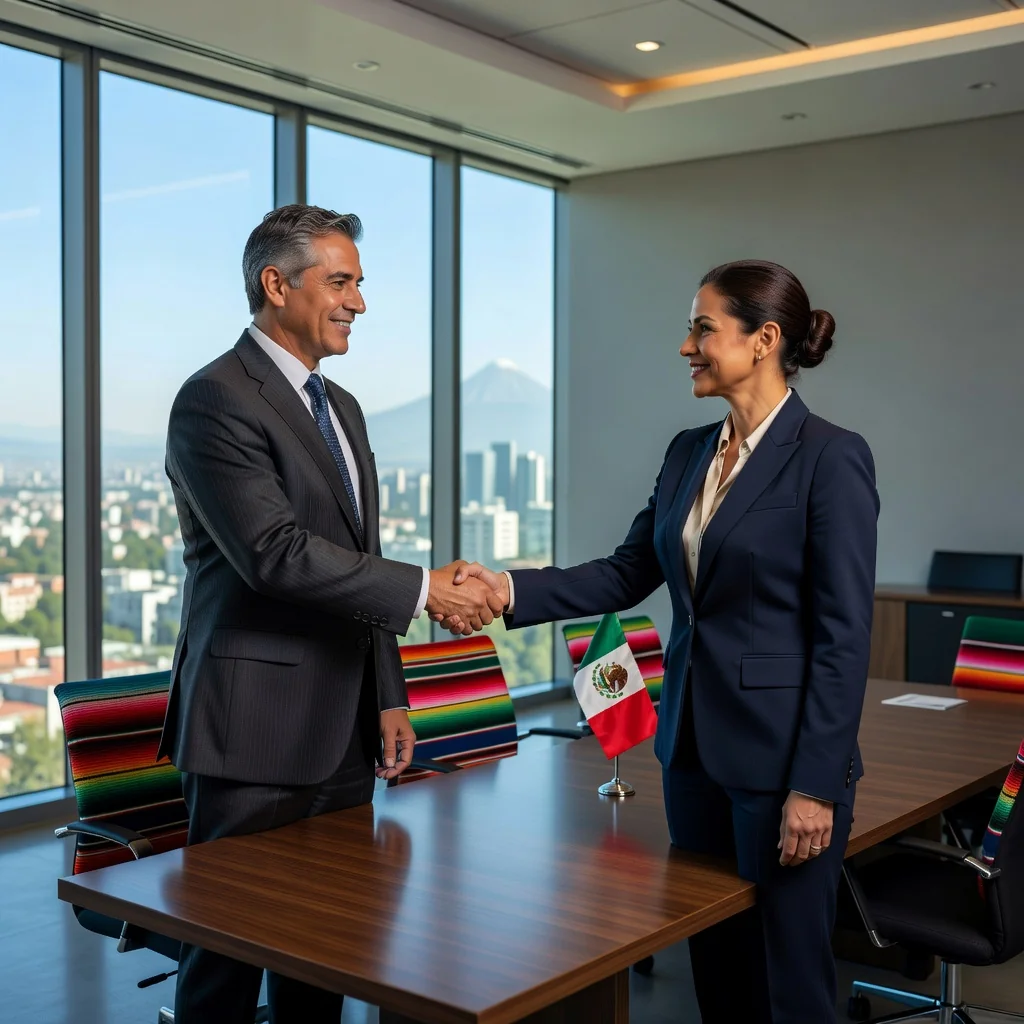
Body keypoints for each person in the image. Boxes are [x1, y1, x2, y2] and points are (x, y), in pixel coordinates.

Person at [443, 260, 879, 1023]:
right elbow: (625, 572)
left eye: (702, 328)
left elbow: (844, 636)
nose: (686, 346)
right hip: (692, 754)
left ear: (764, 339)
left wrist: (815, 785)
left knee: (790, 979)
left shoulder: (830, 458)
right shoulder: (686, 453)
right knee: (717, 963)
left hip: (783, 766)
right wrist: (506, 589)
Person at [158, 204, 503, 1024]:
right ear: (277, 285)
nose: (359, 302)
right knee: (229, 955)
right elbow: (273, 553)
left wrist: (388, 691)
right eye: (340, 281)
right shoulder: (212, 399)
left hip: (344, 728)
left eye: (360, 282)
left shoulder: (341, 407)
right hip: (253, 729)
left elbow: (354, 555)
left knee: (330, 947)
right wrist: (426, 590)